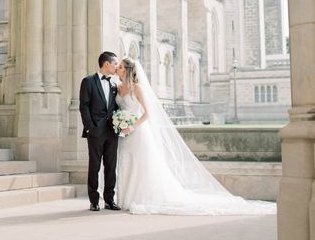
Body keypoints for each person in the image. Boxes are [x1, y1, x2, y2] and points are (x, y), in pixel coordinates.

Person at [115, 57, 276, 215]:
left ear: (128, 70)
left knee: (141, 165)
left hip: (139, 133)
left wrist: (133, 126)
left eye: (120, 66)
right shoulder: (118, 87)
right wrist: (120, 123)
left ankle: (140, 198)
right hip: (124, 134)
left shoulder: (137, 88)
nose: (117, 68)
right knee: (126, 163)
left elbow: (147, 113)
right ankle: (124, 198)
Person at [79, 51, 121, 212]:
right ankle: (94, 200)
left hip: (112, 131)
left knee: (111, 166)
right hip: (95, 131)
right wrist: (90, 127)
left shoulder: (114, 84)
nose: (117, 67)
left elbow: (115, 106)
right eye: (115, 64)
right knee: (94, 166)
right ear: (106, 64)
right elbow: (84, 106)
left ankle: (109, 200)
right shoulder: (88, 81)